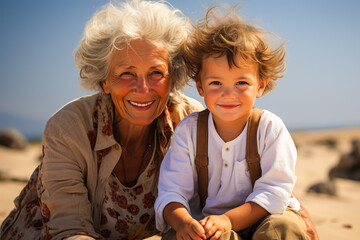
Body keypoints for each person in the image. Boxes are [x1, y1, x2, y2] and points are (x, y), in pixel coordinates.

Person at [0, 0, 203, 239]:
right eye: (126, 73)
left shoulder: (189, 122)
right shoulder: (69, 128)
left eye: (156, 73)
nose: (143, 88)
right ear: (104, 81)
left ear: (173, 77)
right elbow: (70, 229)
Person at [155, 6, 309, 240]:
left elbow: (275, 192)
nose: (228, 94)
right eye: (216, 82)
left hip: (265, 217)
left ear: (261, 85)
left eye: (241, 83)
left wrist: (229, 219)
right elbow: (171, 192)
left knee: (284, 228)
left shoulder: (269, 129)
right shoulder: (189, 131)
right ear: (200, 87)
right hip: (209, 223)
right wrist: (183, 222)